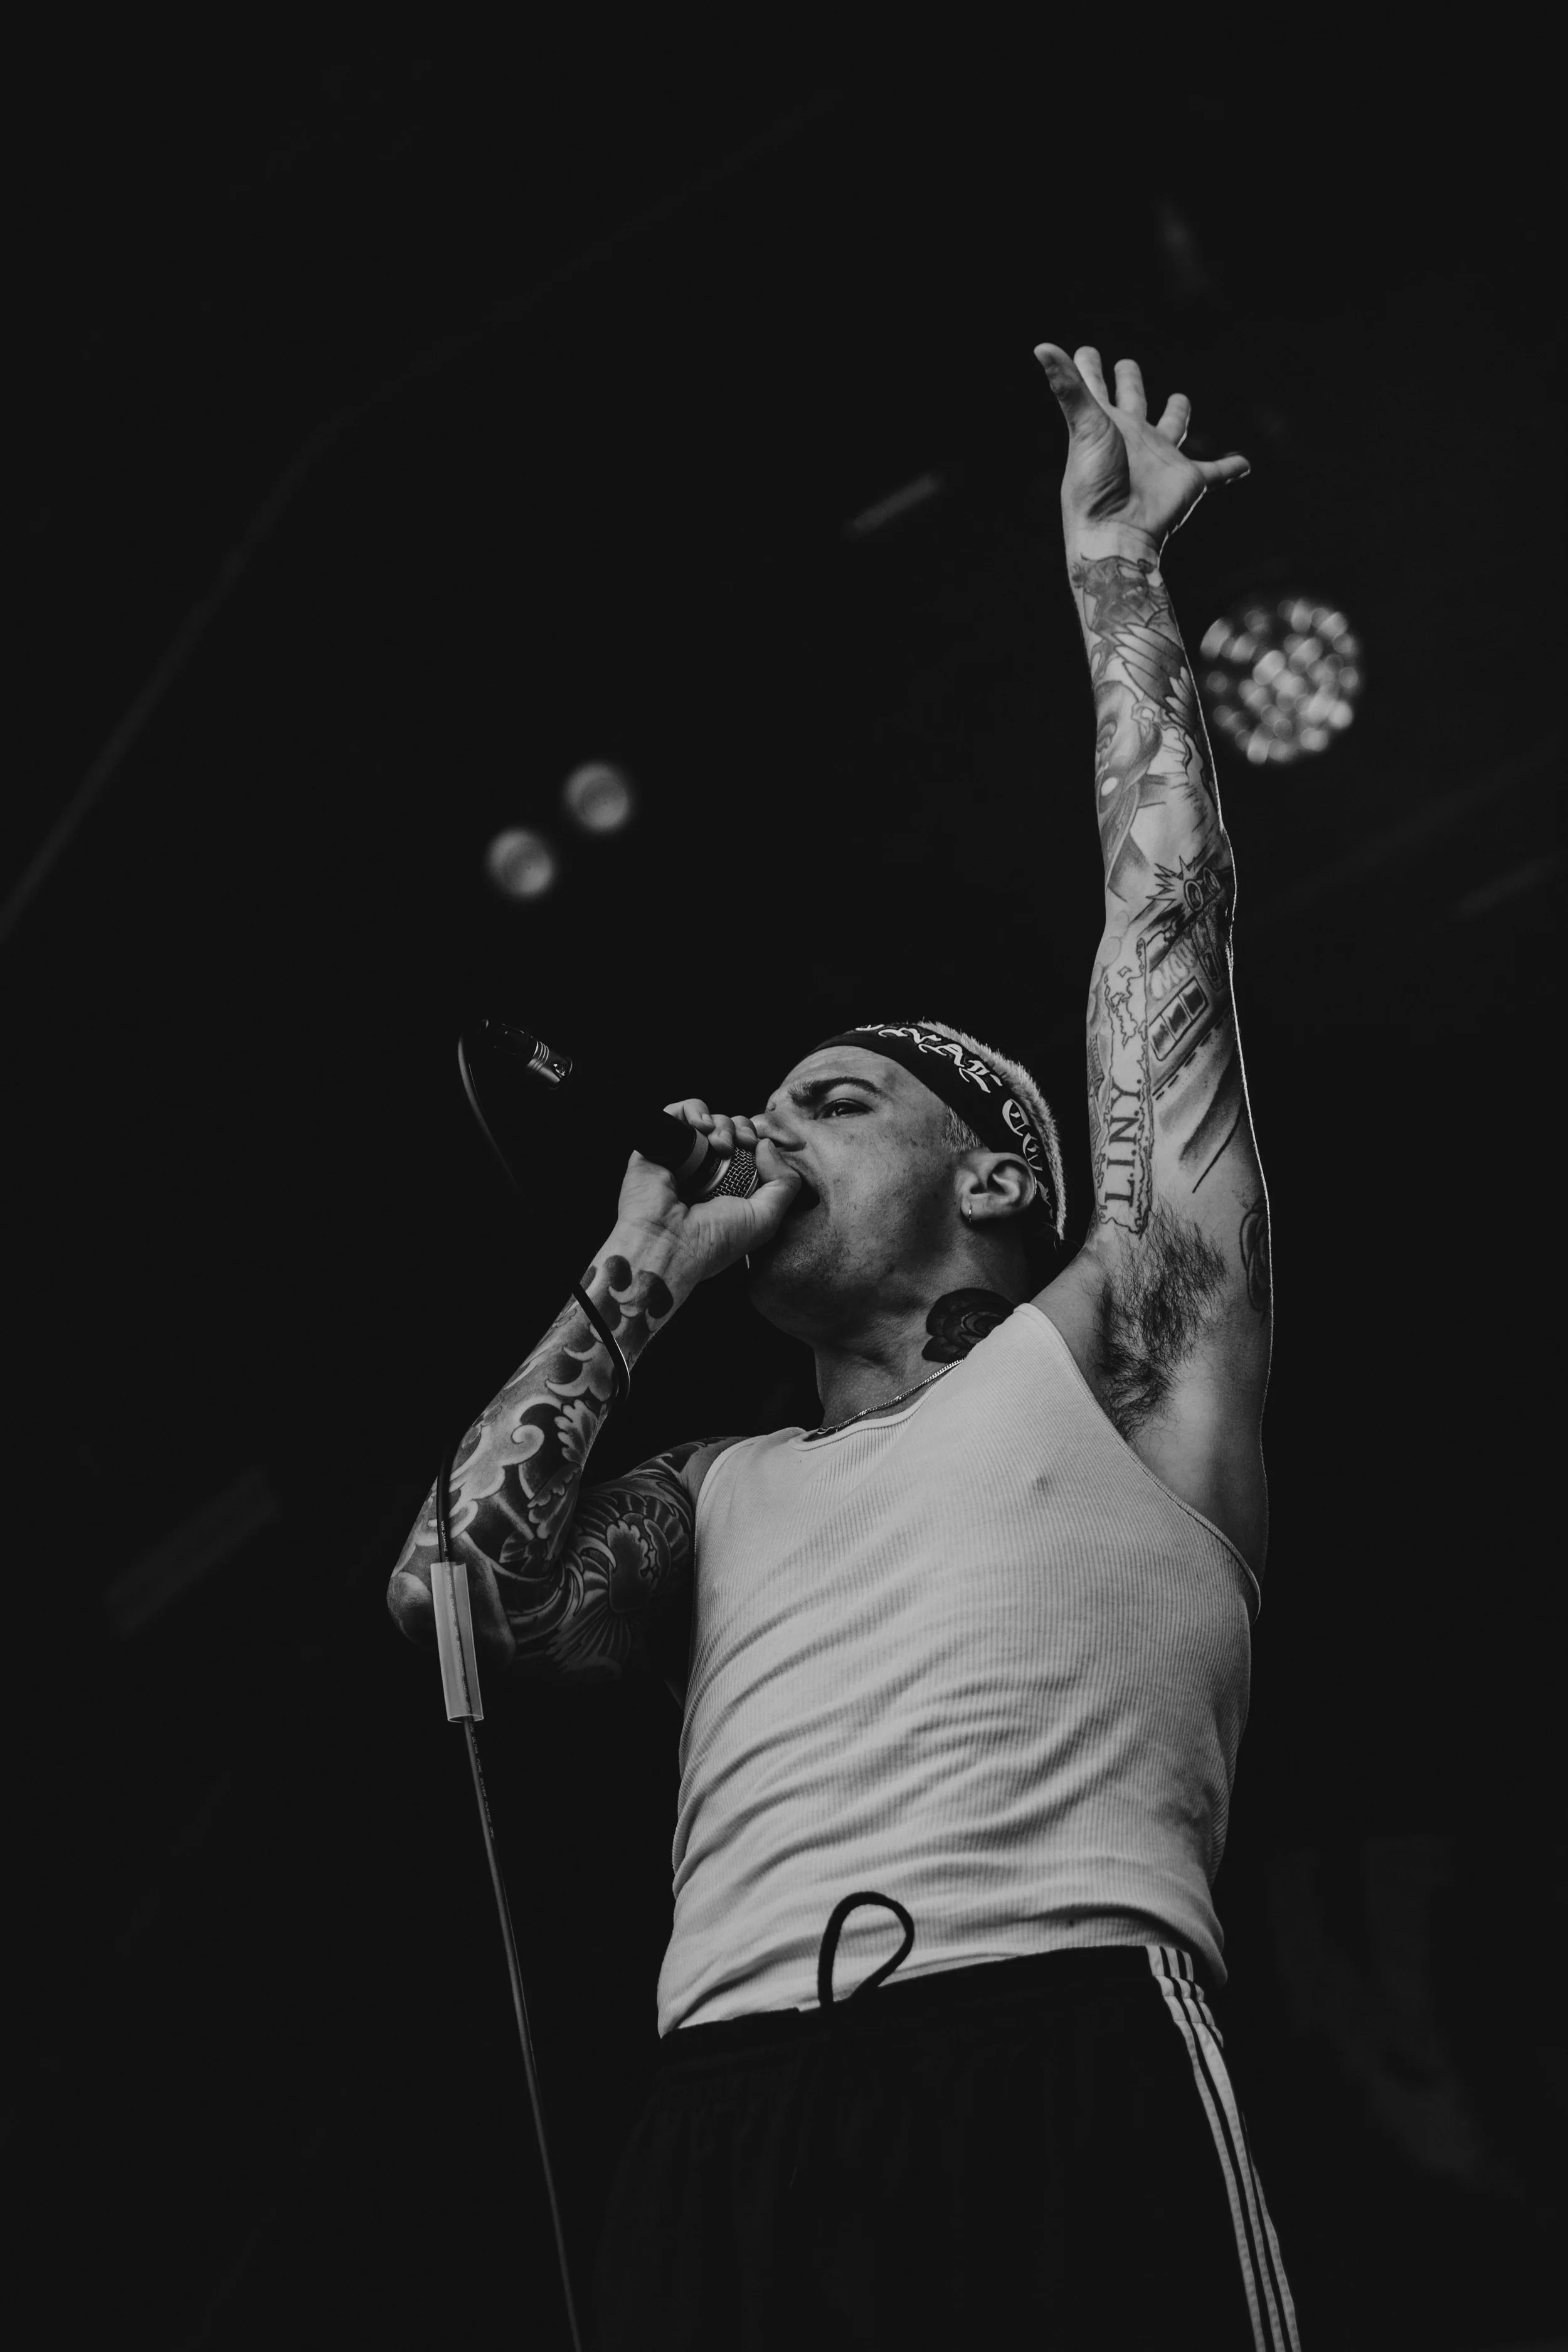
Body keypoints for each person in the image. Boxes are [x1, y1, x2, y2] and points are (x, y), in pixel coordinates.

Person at [389, 342, 1301, 2349]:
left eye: (833, 1099)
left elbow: (1166, 932)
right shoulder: (721, 1493)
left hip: (1051, 2017)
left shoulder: (1128, 1335)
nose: (766, 1128)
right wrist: (638, 1268)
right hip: (730, 2092)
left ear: (992, 1180)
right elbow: (449, 1595)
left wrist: (1114, 585)